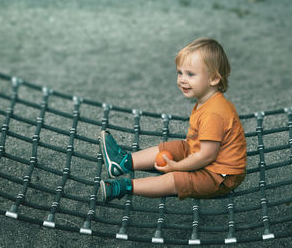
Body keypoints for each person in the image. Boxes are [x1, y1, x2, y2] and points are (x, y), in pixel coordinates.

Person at [99, 37, 247, 201]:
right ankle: (122, 163)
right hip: (205, 158)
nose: (182, 79)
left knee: (174, 180)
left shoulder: (214, 113)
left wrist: (176, 167)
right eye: (180, 72)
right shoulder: (207, 101)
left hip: (220, 176)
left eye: (190, 74)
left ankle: (123, 187)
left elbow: (206, 156)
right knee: (175, 147)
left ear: (213, 79)